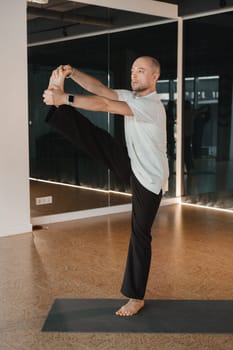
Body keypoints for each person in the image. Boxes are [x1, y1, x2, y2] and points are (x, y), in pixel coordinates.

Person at [43, 56, 169, 316]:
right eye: (133, 70)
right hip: (133, 163)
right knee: (100, 139)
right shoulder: (132, 97)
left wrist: (64, 97)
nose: (134, 75)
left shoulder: (152, 106)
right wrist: (73, 71)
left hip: (149, 178)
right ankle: (59, 111)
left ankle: (136, 297)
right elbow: (101, 90)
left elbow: (103, 104)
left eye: (141, 71)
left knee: (140, 235)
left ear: (155, 77)